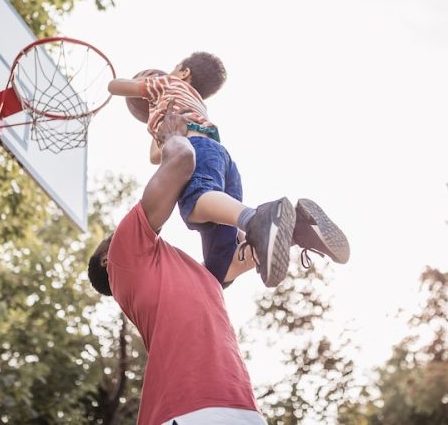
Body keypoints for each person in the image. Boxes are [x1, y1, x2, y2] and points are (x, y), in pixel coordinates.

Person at [107, 56, 349, 289]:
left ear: (184, 72)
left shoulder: (165, 83)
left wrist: (141, 88)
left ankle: (256, 219)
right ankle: (300, 229)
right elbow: (154, 155)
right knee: (218, 270)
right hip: (220, 158)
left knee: (194, 202)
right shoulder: (192, 101)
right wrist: (154, 115)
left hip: (197, 149)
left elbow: (115, 86)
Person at [88, 109, 266, 424]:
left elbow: (246, 257)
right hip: (184, 410)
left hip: (241, 408)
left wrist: (288, 233)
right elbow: (182, 161)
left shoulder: (199, 276)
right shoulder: (122, 257)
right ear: (107, 260)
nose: (112, 236)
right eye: (107, 240)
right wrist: (170, 137)